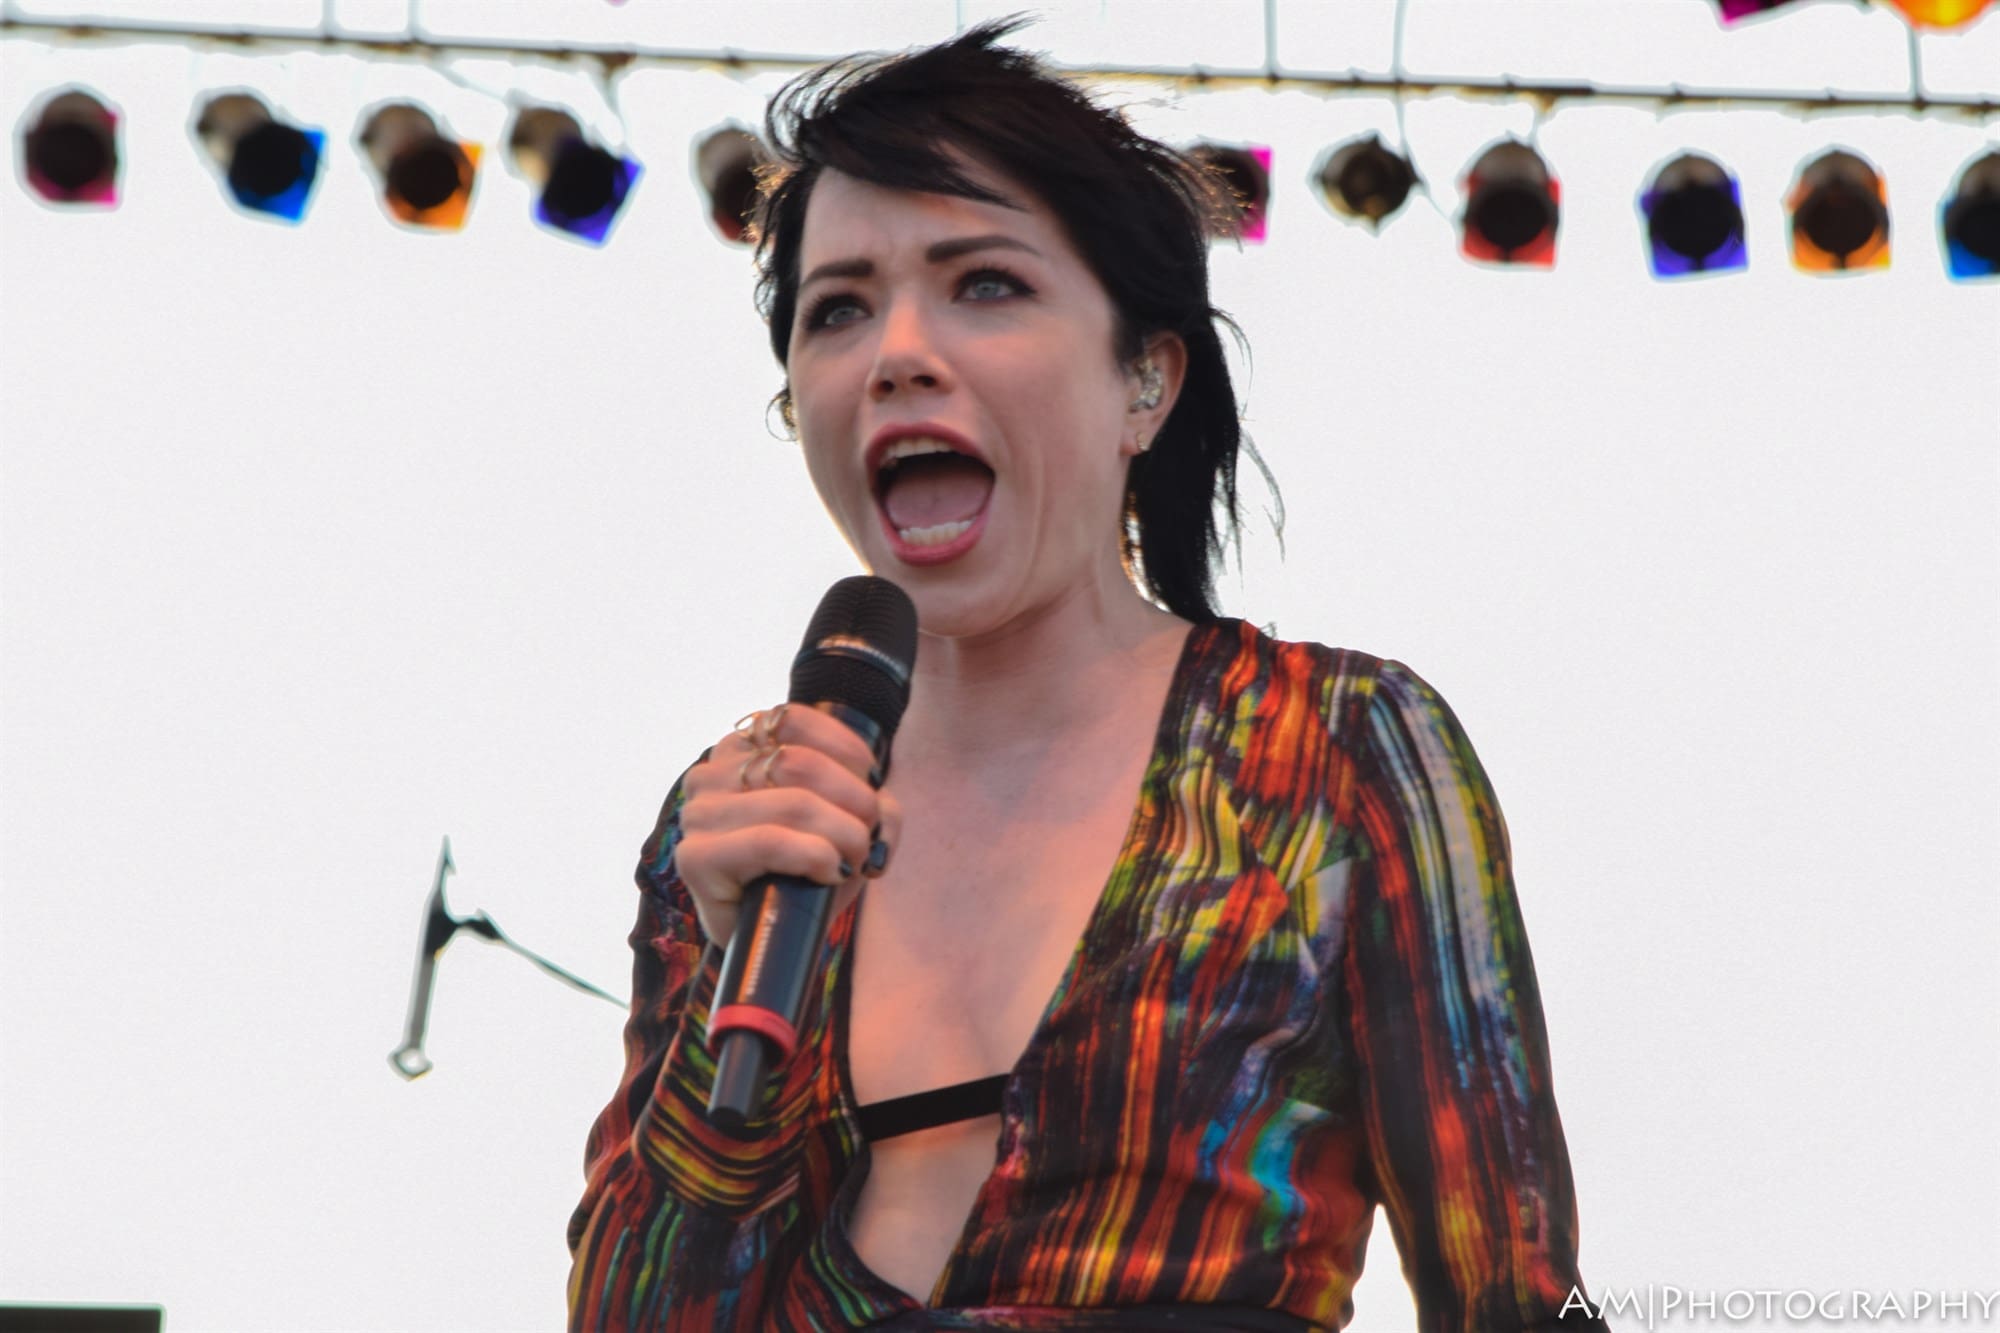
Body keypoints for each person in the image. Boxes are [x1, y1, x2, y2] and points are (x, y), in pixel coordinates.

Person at [568, 20, 1609, 1332]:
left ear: (1146, 382)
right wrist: (729, 970)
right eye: (838, 309)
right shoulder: (747, 814)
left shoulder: (1334, 747)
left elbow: (1507, 1284)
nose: (896, 352)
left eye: (985, 283)